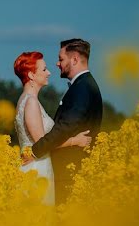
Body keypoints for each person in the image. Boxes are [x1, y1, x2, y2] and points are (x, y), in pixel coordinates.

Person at [27, 39, 104, 205]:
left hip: (70, 171)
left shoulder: (82, 88)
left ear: (74, 59)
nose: (57, 64)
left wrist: (34, 152)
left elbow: (65, 127)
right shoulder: (85, 85)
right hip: (73, 171)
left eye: (61, 59)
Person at [14, 50, 92, 205]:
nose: (49, 72)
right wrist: (75, 141)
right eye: (43, 69)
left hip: (35, 166)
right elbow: (43, 143)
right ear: (31, 75)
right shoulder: (31, 103)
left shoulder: (26, 100)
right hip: (37, 170)